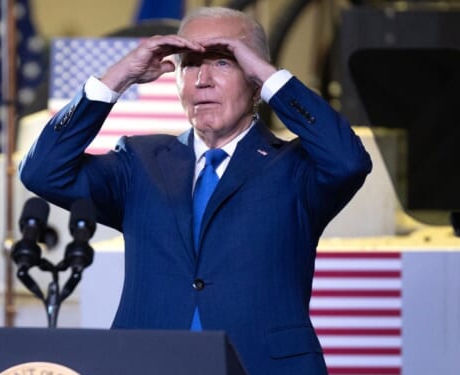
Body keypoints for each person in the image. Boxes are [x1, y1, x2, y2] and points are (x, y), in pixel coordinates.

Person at [20, 6, 371, 375]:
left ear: (254, 78)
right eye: (189, 64)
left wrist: (271, 78)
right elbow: (43, 171)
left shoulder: (295, 168)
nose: (202, 79)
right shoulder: (139, 161)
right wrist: (117, 78)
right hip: (148, 365)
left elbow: (349, 161)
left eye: (223, 62)